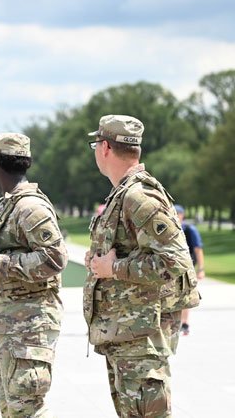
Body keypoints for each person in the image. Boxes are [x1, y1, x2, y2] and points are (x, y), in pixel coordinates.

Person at [83, 115, 200, 417]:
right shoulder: (123, 194)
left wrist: (114, 269)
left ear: (105, 148)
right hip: (128, 335)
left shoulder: (138, 196)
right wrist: (98, 262)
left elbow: (174, 260)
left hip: (141, 340)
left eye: (96, 145)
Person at [0, 133, 68, 417]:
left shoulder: (30, 207)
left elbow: (55, 259)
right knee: (13, 411)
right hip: (10, 329)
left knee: (27, 411)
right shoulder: (10, 205)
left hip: (27, 330)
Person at [175, 204, 205, 336]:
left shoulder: (189, 230)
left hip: (188, 267)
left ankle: (185, 323)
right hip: (172, 268)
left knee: (185, 295)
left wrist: (201, 269)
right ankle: (175, 323)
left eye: (178, 213)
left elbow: (198, 250)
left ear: (182, 215)